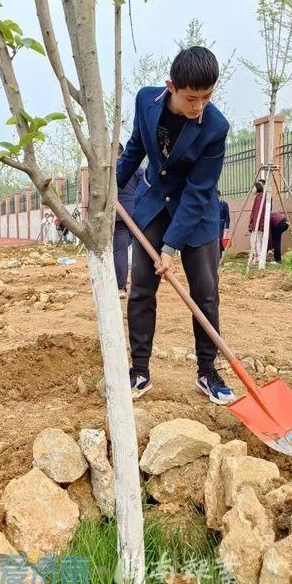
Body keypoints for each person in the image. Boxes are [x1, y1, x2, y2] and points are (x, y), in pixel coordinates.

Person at [117, 46, 235, 405]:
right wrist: (112, 187)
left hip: (196, 215)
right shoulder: (145, 101)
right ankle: (139, 370)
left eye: (207, 97)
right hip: (154, 205)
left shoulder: (215, 127)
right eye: (191, 98)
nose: (199, 106)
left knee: (205, 292)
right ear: (171, 86)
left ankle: (207, 371)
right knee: (141, 290)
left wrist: (170, 248)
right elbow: (136, 146)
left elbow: (200, 191)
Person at [114, 143, 143, 299]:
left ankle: (120, 287)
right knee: (138, 245)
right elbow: (144, 183)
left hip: (115, 213)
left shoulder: (106, 169)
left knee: (119, 250)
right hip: (133, 211)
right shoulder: (133, 166)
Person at [248, 181, 265, 263]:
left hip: (258, 224)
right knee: (256, 240)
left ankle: (259, 258)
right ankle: (257, 257)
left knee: (257, 241)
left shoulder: (260, 197)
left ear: (257, 188)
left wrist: (256, 224)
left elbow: (259, 213)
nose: (252, 189)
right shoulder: (258, 197)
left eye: (253, 188)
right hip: (256, 223)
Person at [218, 190, 230, 257]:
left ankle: (220, 256)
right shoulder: (213, 205)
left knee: (220, 240)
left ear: (219, 196)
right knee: (215, 241)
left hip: (221, 225)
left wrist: (227, 227)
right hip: (214, 225)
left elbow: (227, 217)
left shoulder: (224, 204)